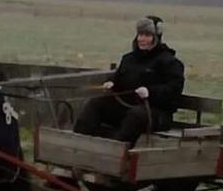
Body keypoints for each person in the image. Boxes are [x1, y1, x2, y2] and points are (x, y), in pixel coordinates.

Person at [74, 16, 185, 145]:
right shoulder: (129, 59)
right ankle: (78, 144)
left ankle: (116, 152)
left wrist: (150, 92)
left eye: (147, 35)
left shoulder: (170, 62)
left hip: (156, 114)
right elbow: (119, 78)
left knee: (136, 115)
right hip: (126, 108)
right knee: (96, 104)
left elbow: (174, 90)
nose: (141, 39)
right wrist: (112, 83)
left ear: (156, 37)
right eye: (140, 34)